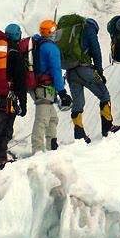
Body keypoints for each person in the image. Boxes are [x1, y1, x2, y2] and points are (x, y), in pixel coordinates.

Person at [61, 17, 120, 141]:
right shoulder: (89, 29)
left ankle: (79, 135)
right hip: (85, 70)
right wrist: (99, 71)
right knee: (104, 95)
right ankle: (108, 127)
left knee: (78, 103)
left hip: (70, 73)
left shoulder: (71, 33)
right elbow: (96, 51)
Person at [0, 24, 28, 172]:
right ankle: (0, 160)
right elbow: (21, 81)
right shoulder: (15, 54)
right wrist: (23, 103)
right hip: (9, 97)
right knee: (5, 129)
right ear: (17, 35)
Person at [30, 20, 72, 152]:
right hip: (44, 87)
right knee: (42, 119)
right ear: (50, 33)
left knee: (52, 118)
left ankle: (51, 147)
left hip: (38, 86)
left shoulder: (39, 44)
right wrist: (62, 92)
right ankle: (37, 150)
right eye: (54, 31)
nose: (56, 34)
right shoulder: (51, 48)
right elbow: (56, 70)